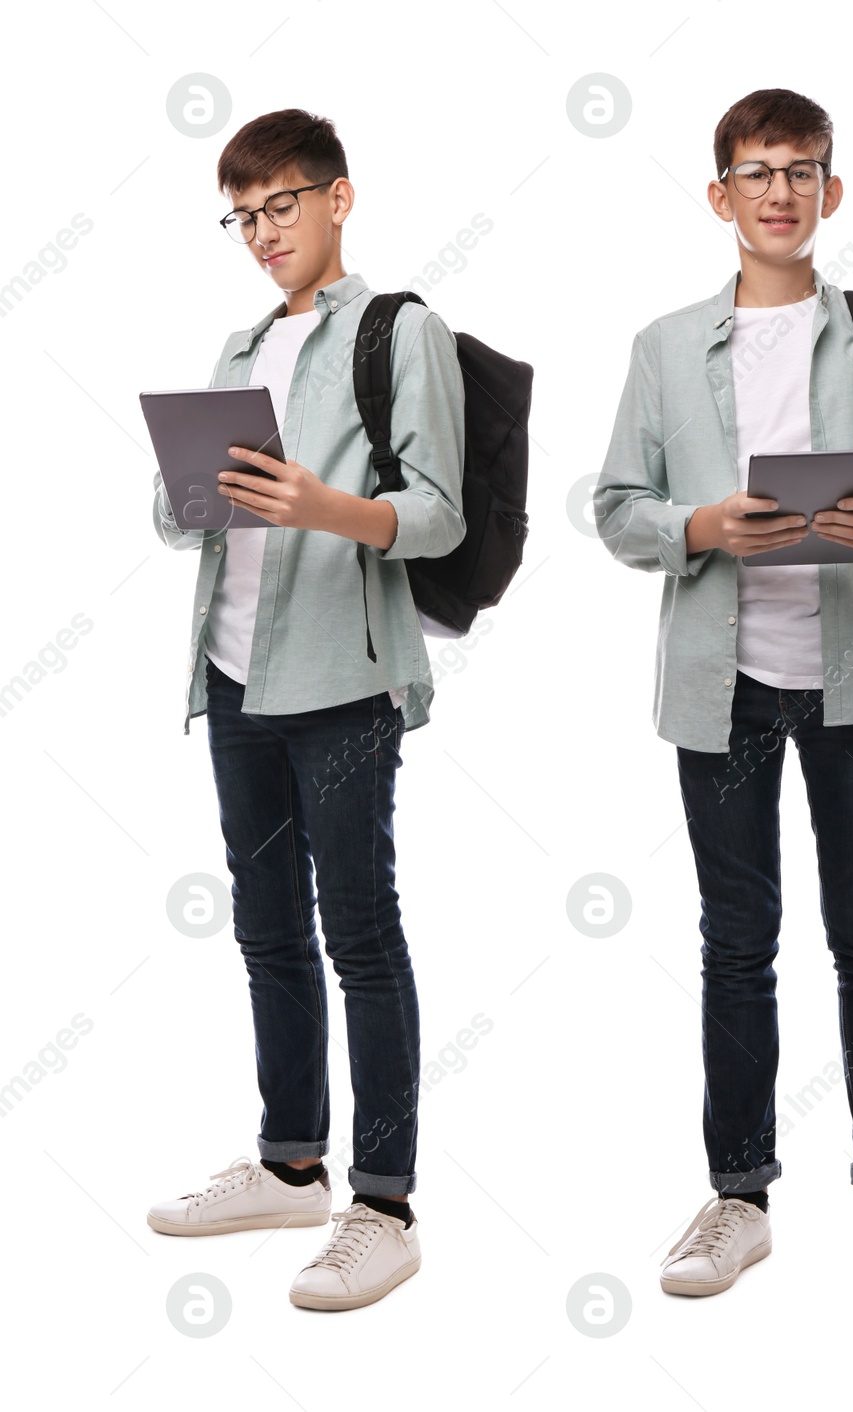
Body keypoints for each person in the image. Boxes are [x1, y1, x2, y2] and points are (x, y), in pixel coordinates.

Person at [594, 88, 853, 1303]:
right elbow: (613, 508)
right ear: (721, 198)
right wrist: (698, 523)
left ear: (831, 191)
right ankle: (737, 1195)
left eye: (802, 171)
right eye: (757, 173)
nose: (781, 192)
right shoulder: (662, 346)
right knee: (736, 942)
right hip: (725, 683)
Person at [146, 108, 467, 1311]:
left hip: (343, 677)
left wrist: (315, 502)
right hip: (231, 672)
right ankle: (291, 1162)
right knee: (267, 926)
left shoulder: (398, 330)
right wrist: (193, 493)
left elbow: (436, 514)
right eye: (243, 215)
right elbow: (181, 517)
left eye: (282, 205)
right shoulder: (238, 346)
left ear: (340, 197)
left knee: (361, 933)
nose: (262, 232)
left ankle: (383, 1202)